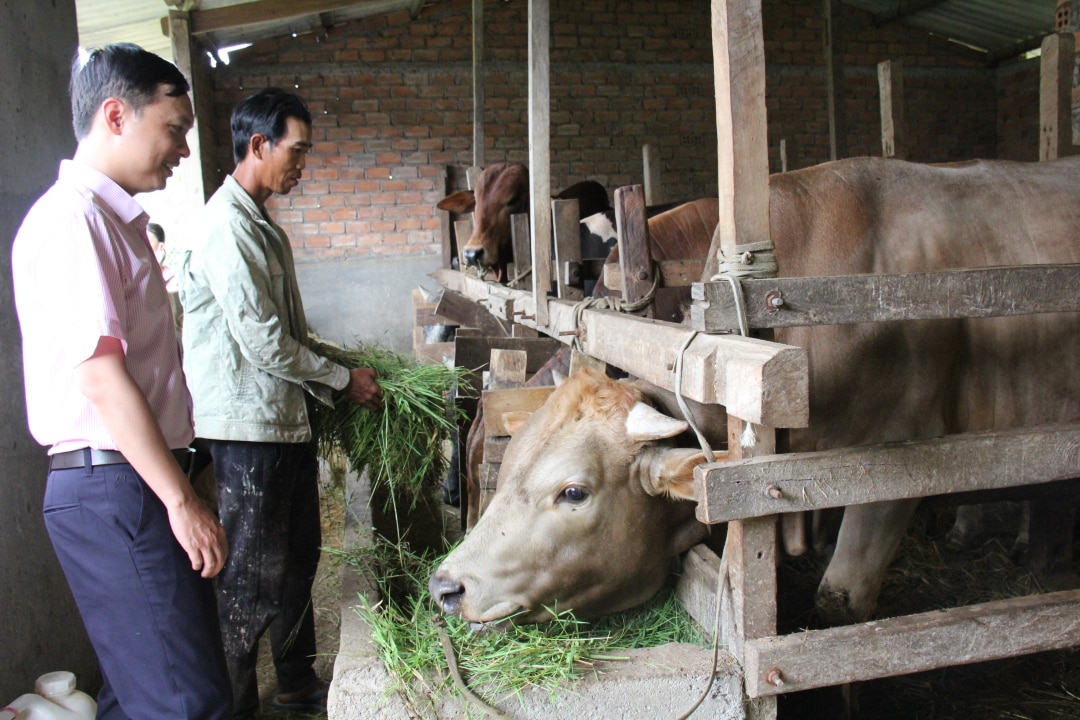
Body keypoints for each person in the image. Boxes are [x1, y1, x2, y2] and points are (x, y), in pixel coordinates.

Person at [11, 43, 233, 719]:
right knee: (183, 702)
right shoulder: (73, 220)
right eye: (174, 129)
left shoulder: (112, 221)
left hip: (131, 477)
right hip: (112, 482)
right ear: (115, 115)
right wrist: (180, 500)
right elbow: (102, 377)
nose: (183, 150)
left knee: (148, 691)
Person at [179, 87, 383, 718]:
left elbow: (287, 331)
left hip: (281, 422)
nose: (302, 166)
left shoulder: (264, 227)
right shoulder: (227, 227)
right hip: (248, 429)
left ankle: (295, 684)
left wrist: (338, 365)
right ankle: (236, 706)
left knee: (299, 562)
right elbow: (266, 341)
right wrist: (342, 379)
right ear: (259, 145)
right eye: (297, 152)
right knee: (250, 578)